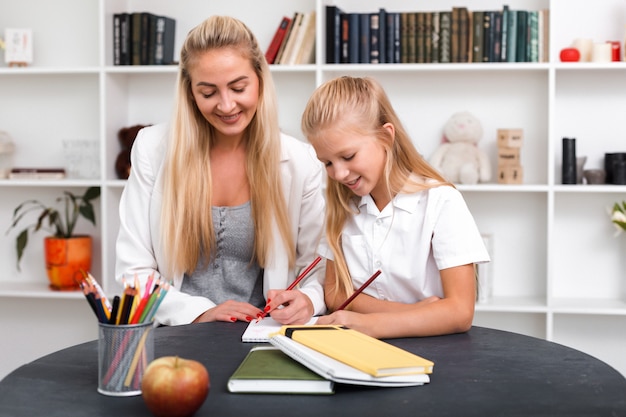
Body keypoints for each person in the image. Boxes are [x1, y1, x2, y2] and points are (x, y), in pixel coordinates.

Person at [115, 15, 326, 326]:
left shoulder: (300, 160)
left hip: (262, 336)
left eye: (238, 87)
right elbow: (133, 272)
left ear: (260, 80)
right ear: (190, 92)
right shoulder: (151, 148)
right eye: (209, 92)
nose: (226, 105)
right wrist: (199, 312)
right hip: (178, 333)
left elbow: (317, 268)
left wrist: (308, 300)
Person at [301, 76, 490, 338]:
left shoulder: (442, 202)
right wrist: (404, 312)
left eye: (348, 156)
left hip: (434, 353)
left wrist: (372, 324)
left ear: (386, 137)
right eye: (328, 163)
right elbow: (335, 293)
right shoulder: (343, 207)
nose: (339, 173)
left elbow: (460, 312)